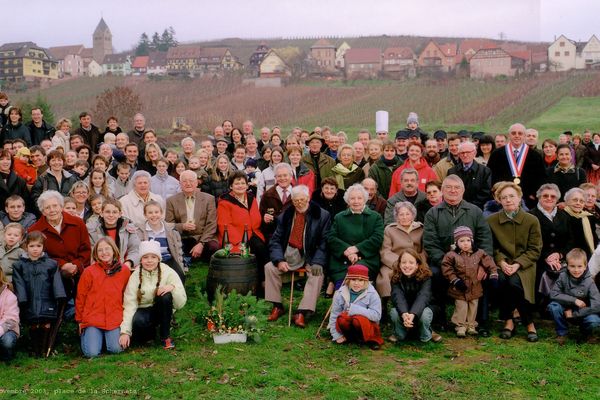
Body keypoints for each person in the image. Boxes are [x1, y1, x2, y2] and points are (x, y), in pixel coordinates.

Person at [423, 174, 494, 334]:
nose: (452, 191)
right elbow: (430, 243)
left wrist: (482, 264)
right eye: (448, 187)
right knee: (434, 274)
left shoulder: (475, 211)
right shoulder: (433, 213)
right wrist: (448, 265)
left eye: (456, 188)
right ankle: (439, 320)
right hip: (444, 263)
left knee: (484, 277)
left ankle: (480, 322)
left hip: (474, 262)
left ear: (463, 190)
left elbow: (485, 239)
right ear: (442, 191)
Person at [265, 185, 331, 327]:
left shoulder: (322, 215)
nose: (299, 203)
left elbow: (324, 243)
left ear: (308, 198)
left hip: (310, 256)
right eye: (295, 201)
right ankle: (277, 305)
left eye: (302, 199)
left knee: (317, 273)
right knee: (269, 267)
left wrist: (316, 262)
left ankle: (302, 311)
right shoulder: (286, 215)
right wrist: (279, 260)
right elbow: (275, 240)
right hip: (289, 254)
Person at [487, 181, 542, 342]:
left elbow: (535, 249)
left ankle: (527, 322)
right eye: (504, 197)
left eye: (512, 196)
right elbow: (491, 247)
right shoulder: (491, 220)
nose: (508, 200)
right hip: (502, 264)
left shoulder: (532, 220)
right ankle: (510, 320)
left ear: (519, 198)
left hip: (525, 265)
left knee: (515, 282)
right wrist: (502, 262)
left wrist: (518, 264)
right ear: (499, 201)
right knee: (502, 280)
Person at [119, 240, 186, 350]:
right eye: (145, 257)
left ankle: (165, 336)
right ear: (141, 260)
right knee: (138, 322)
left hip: (162, 309)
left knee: (165, 296)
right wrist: (125, 332)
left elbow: (180, 303)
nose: (149, 261)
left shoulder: (168, 271)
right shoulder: (135, 276)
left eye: (153, 257)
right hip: (143, 310)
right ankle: (150, 334)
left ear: (158, 259)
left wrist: (172, 288)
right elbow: (129, 305)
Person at [29, 190, 92, 302]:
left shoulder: (78, 223)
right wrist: (62, 265)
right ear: (42, 211)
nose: (52, 210)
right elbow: (39, 256)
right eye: (47, 208)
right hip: (53, 273)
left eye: (55, 206)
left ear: (61, 206)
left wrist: (76, 266)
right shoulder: (35, 230)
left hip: (80, 269)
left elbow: (86, 250)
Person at [12, 231, 66, 357]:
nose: (35, 249)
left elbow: (56, 281)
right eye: (32, 246)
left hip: (47, 299)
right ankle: (36, 350)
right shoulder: (19, 265)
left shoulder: (51, 264)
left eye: (38, 246)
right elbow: (18, 283)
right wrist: (22, 299)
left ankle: (45, 348)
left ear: (43, 247)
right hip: (29, 300)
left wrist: (59, 296)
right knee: (33, 324)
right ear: (26, 246)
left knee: (46, 322)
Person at [75, 238, 131, 358]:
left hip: (114, 317)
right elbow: (81, 297)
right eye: (100, 250)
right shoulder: (89, 272)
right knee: (92, 353)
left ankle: (107, 339)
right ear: (95, 253)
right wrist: (80, 320)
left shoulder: (124, 271)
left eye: (107, 249)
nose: (104, 252)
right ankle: (93, 338)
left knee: (116, 349)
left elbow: (128, 296)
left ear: (114, 250)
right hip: (93, 318)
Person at [441, 226, 498, 337]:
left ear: (472, 240)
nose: (465, 243)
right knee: (461, 307)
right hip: (459, 287)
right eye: (462, 241)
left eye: (468, 240)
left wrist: (494, 275)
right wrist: (455, 280)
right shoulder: (451, 255)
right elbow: (446, 269)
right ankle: (460, 326)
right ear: (456, 242)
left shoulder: (479, 253)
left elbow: (490, 263)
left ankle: (471, 325)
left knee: (473, 306)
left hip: (475, 286)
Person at [217, 171, 269, 285]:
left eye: (242, 183)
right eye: (237, 183)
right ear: (231, 186)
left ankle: (266, 282)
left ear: (247, 185)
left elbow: (256, 218)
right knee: (253, 251)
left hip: (253, 232)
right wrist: (240, 242)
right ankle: (257, 282)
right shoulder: (224, 202)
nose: (240, 186)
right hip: (235, 238)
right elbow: (224, 225)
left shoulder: (251, 198)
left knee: (263, 249)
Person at [328, 184, 384, 286]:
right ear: (348, 201)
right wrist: (348, 251)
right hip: (342, 259)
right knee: (343, 281)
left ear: (365, 199)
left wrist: (357, 248)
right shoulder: (339, 217)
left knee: (357, 274)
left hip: (367, 259)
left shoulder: (375, 217)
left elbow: (377, 238)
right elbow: (331, 238)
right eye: (352, 198)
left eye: (359, 198)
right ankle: (338, 292)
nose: (356, 201)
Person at [529, 184, 573, 304]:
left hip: (561, 258)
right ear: (539, 197)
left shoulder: (564, 216)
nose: (549, 198)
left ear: (557, 199)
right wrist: (546, 257)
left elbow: (570, 240)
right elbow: (528, 243)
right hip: (537, 258)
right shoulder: (530, 215)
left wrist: (559, 255)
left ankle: (563, 304)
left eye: (553, 196)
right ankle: (541, 304)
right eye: (545, 196)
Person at [548, 248, 600, 345]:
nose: (576, 270)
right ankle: (562, 333)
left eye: (580, 266)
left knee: (594, 321)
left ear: (585, 266)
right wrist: (574, 300)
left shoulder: (590, 282)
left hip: (584, 312)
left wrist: (575, 314)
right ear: (567, 266)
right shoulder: (563, 276)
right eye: (572, 266)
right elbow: (553, 294)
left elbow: (597, 305)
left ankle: (586, 333)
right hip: (566, 309)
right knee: (553, 306)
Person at [487, 123, 546, 209]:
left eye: (520, 133)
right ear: (509, 135)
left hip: (528, 200)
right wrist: (497, 194)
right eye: (513, 133)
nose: (517, 136)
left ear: (524, 136)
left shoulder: (535, 155)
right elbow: (490, 176)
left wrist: (534, 194)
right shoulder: (497, 154)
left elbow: (541, 177)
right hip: (503, 200)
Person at [389, 249, 442, 343]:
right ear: (399, 264)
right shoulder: (395, 277)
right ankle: (400, 333)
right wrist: (404, 313)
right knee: (394, 312)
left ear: (417, 265)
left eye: (411, 262)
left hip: (424, 307)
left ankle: (428, 332)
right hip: (405, 309)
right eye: (403, 262)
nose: (407, 265)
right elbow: (398, 296)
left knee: (425, 315)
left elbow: (423, 297)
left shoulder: (426, 277)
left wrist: (413, 313)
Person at [165, 170, 218, 264]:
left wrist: (201, 244)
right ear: (180, 184)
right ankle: (189, 257)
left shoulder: (209, 199)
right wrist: (182, 226)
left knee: (213, 247)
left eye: (191, 180)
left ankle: (194, 256)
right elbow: (168, 225)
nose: (188, 183)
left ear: (197, 183)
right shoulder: (171, 201)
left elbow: (212, 224)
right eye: (184, 181)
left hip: (203, 236)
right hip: (183, 237)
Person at [376, 200, 426, 299]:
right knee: (385, 277)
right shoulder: (389, 230)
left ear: (413, 215)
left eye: (408, 214)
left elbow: (424, 250)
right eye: (401, 214)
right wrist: (400, 263)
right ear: (396, 216)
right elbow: (385, 252)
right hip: (394, 263)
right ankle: (388, 302)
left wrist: (417, 262)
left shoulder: (421, 229)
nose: (404, 217)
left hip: (416, 263)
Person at [328, 264, 384, 350]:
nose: (357, 283)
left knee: (357, 320)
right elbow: (334, 315)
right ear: (348, 280)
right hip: (349, 326)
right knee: (342, 318)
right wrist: (336, 335)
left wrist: (355, 309)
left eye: (361, 280)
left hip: (366, 327)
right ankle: (350, 338)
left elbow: (376, 316)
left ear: (366, 281)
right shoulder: (341, 293)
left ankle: (368, 339)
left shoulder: (372, 294)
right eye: (353, 280)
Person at [138, 201, 185, 281]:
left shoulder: (171, 230)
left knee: (179, 276)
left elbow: (178, 250)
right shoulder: (140, 231)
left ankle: (176, 292)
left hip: (167, 259)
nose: (154, 215)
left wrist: (180, 265)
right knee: (155, 280)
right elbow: (137, 249)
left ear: (161, 214)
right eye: (150, 213)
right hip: (150, 261)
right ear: (145, 215)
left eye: (156, 212)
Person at [86, 198, 140, 269]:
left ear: (120, 214)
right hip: (101, 267)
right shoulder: (93, 230)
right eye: (107, 212)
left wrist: (128, 263)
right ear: (101, 213)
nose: (111, 215)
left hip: (124, 266)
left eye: (114, 212)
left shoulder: (128, 228)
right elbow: (93, 253)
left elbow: (134, 250)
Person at [448, 141, 492, 209]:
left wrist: (470, 206)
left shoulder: (485, 171)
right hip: (456, 208)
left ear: (474, 153)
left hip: (478, 209)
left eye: (468, 152)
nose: (465, 155)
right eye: (462, 153)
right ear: (459, 154)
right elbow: (449, 191)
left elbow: (485, 193)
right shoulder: (452, 172)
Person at [259, 163, 294, 241]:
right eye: (279, 176)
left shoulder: (298, 194)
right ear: (275, 178)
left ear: (291, 177)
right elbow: (260, 218)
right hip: (273, 236)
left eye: (285, 175)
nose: (282, 178)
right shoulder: (267, 195)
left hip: (293, 237)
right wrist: (264, 220)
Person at [563, 187, 598, 259]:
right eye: (575, 200)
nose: (578, 203)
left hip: (588, 257)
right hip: (568, 258)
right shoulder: (561, 216)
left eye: (581, 201)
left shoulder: (589, 217)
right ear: (567, 201)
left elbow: (595, 238)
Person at [0, 268, 19, 362]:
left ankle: (6, 356)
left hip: (6, 329)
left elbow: (11, 320)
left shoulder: (9, 296)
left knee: (7, 341)